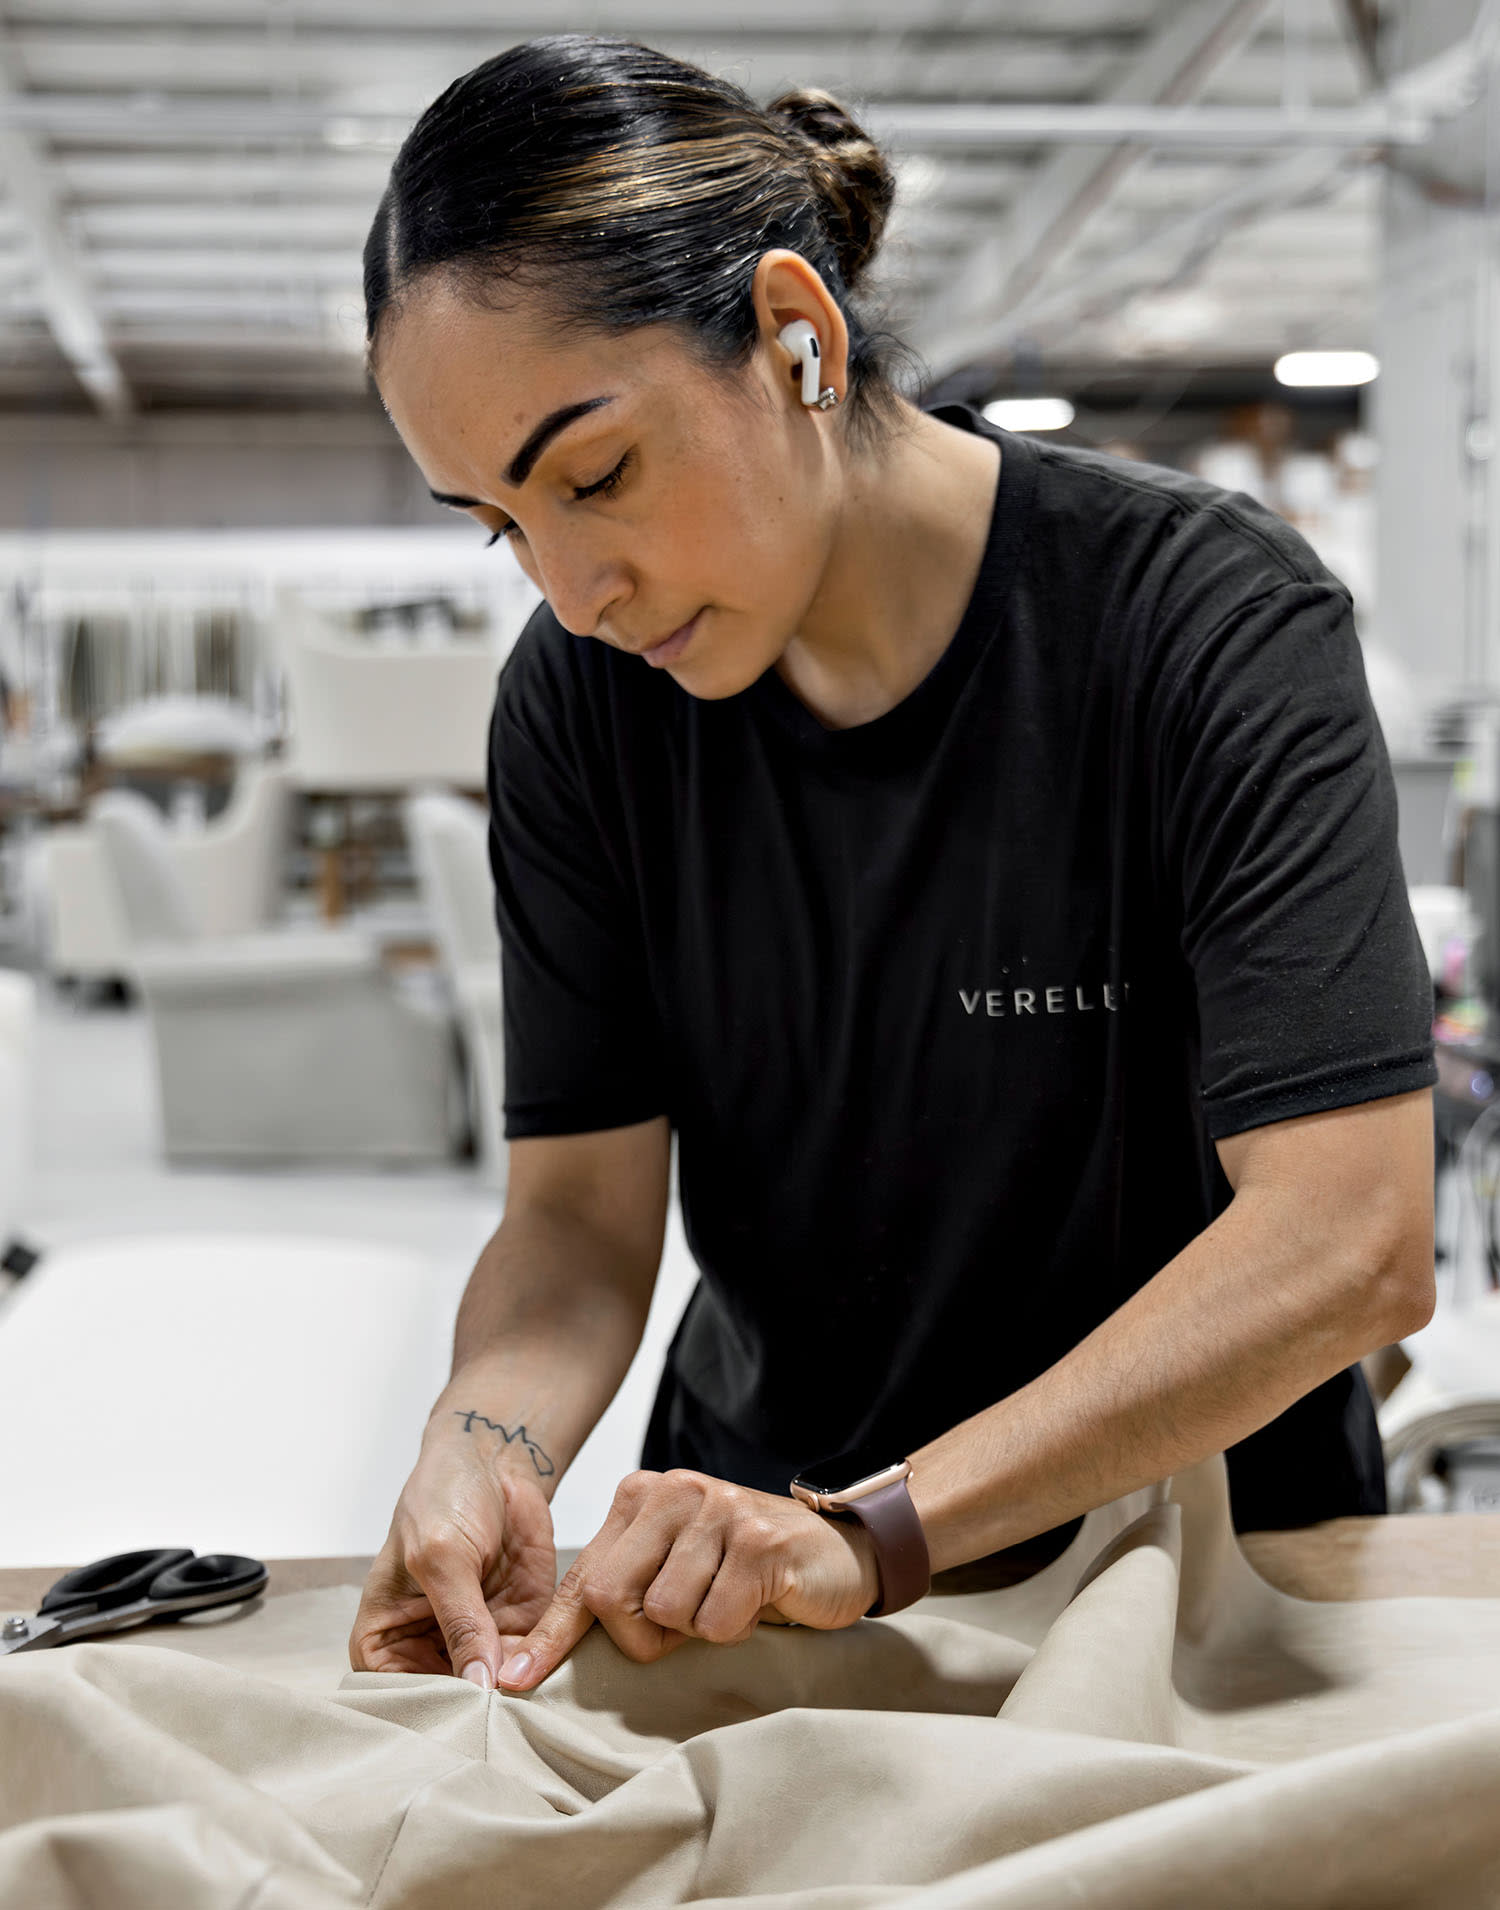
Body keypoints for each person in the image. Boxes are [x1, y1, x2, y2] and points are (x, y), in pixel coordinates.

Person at [348, 33, 1437, 1696]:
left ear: (796, 335)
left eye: (598, 474)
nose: (571, 589)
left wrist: (881, 1534)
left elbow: (1349, 1235)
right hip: (744, 1577)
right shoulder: (582, 713)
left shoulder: (1202, 627)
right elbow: (575, 1225)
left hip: (1209, 1576)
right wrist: (482, 1436)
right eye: (503, 523)